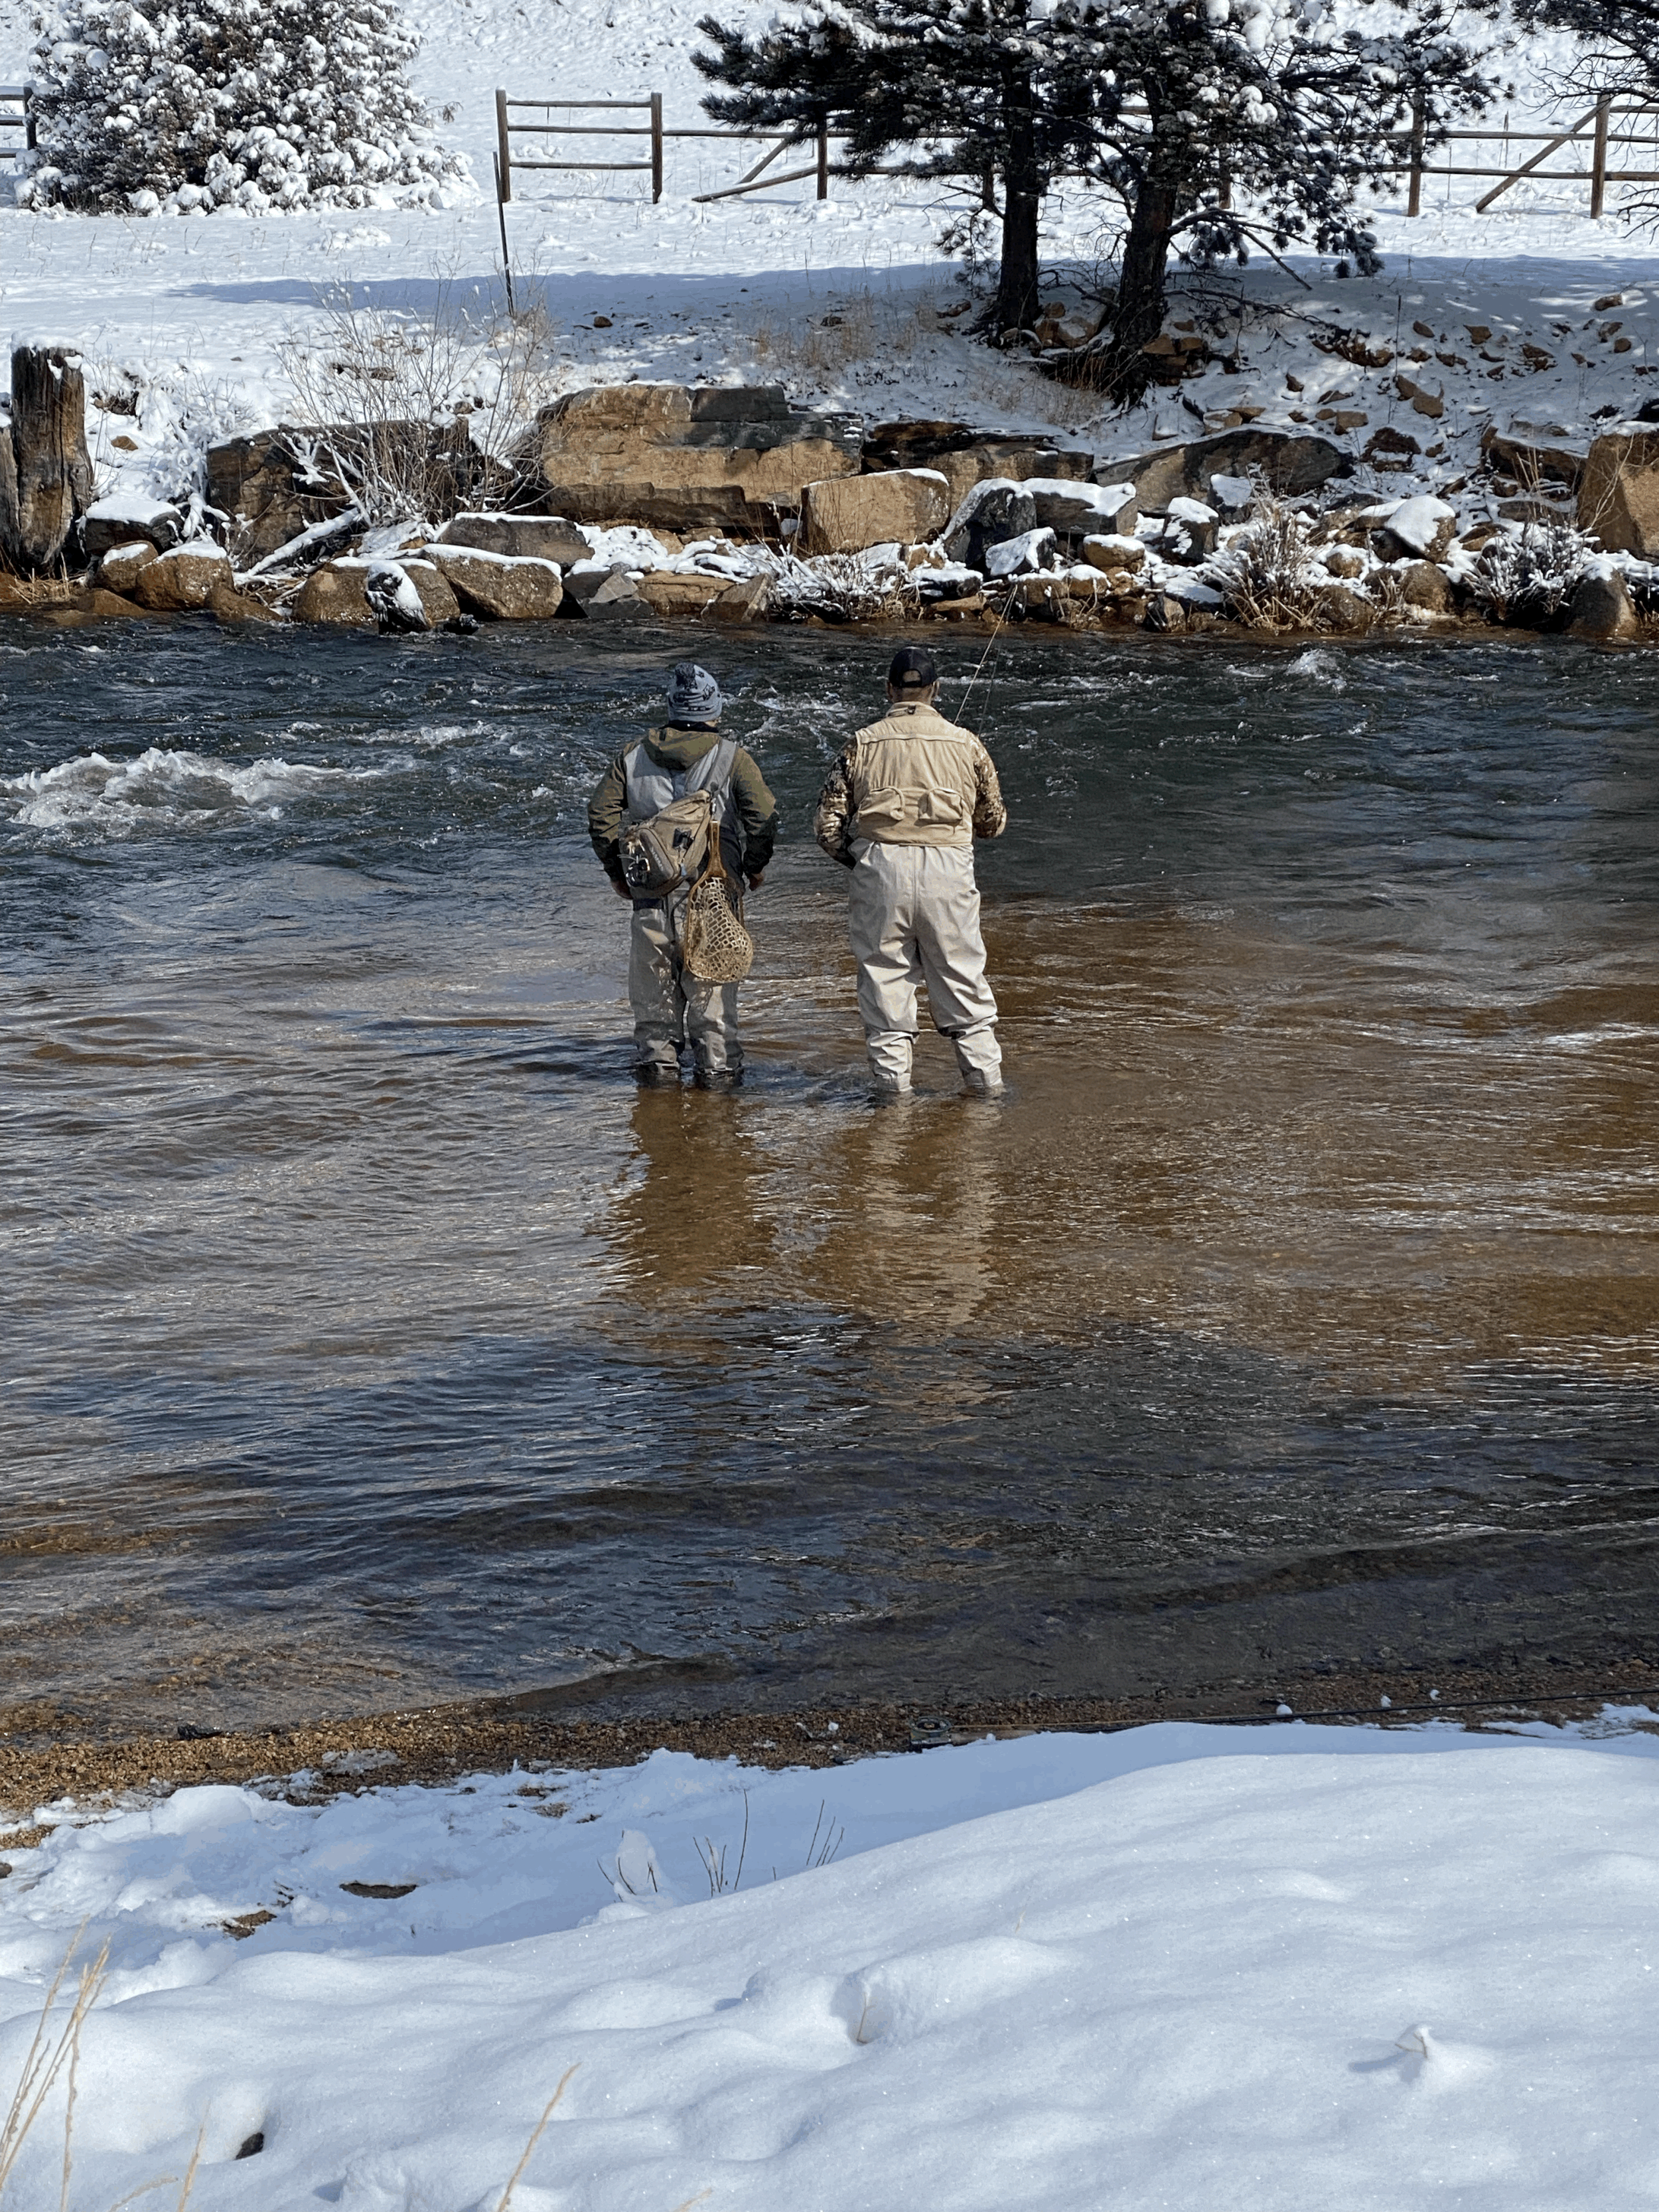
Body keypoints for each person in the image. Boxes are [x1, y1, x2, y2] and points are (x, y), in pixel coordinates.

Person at [814, 643, 1007, 1098]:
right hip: (949, 872)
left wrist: (862, 860)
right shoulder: (968, 744)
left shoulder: (860, 743)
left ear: (889, 690)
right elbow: (993, 822)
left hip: (880, 869)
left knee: (885, 986)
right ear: (936, 690)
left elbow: (826, 827)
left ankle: (892, 1103)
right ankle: (988, 1098)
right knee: (963, 983)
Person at [588, 662, 778, 1090]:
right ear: (716, 709)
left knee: (654, 1006)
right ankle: (719, 1096)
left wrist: (617, 871)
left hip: (650, 895)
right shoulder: (734, 757)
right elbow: (763, 816)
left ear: (671, 705)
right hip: (712, 898)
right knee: (712, 1004)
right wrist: (754, 867)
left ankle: (658, 1104)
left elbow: (601, 815)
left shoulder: (631, 755)